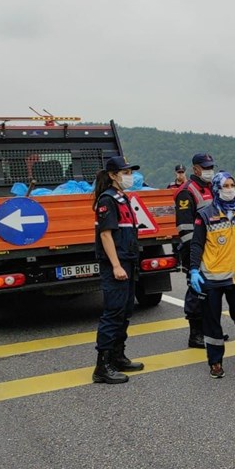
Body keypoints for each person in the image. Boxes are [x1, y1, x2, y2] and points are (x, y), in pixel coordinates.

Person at [188, 172, 235, 379]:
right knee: (212, 321)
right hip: (212, 278)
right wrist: (194, 270)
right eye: (225, 186)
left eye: (232, 185)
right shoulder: (205, 214)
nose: (229, 189)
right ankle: (215, 361)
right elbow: (196, 244)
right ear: (217, 189)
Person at [91, 155, 146, 384]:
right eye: (125, 172)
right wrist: (115, 265)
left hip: (128, 261)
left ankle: (117, 356)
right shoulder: (107, 200)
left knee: (125, 312)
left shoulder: (122, 198)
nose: (129, 176)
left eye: (130, 172)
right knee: (113, 313)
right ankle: (102, 367)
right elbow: (105, 235)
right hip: (118, 263)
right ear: (113, 175)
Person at [174, 153, 214, 350]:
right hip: (195, 251)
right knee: (196, 292)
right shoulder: (186, 192)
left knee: (210, 291)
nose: (209, 170)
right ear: (195, 168)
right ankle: (195, 334)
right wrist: (195, 256)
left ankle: (209, 331)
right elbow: (184, 228)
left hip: (213, 251)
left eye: (210, 167)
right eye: (205, 167)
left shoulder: (211, 188)